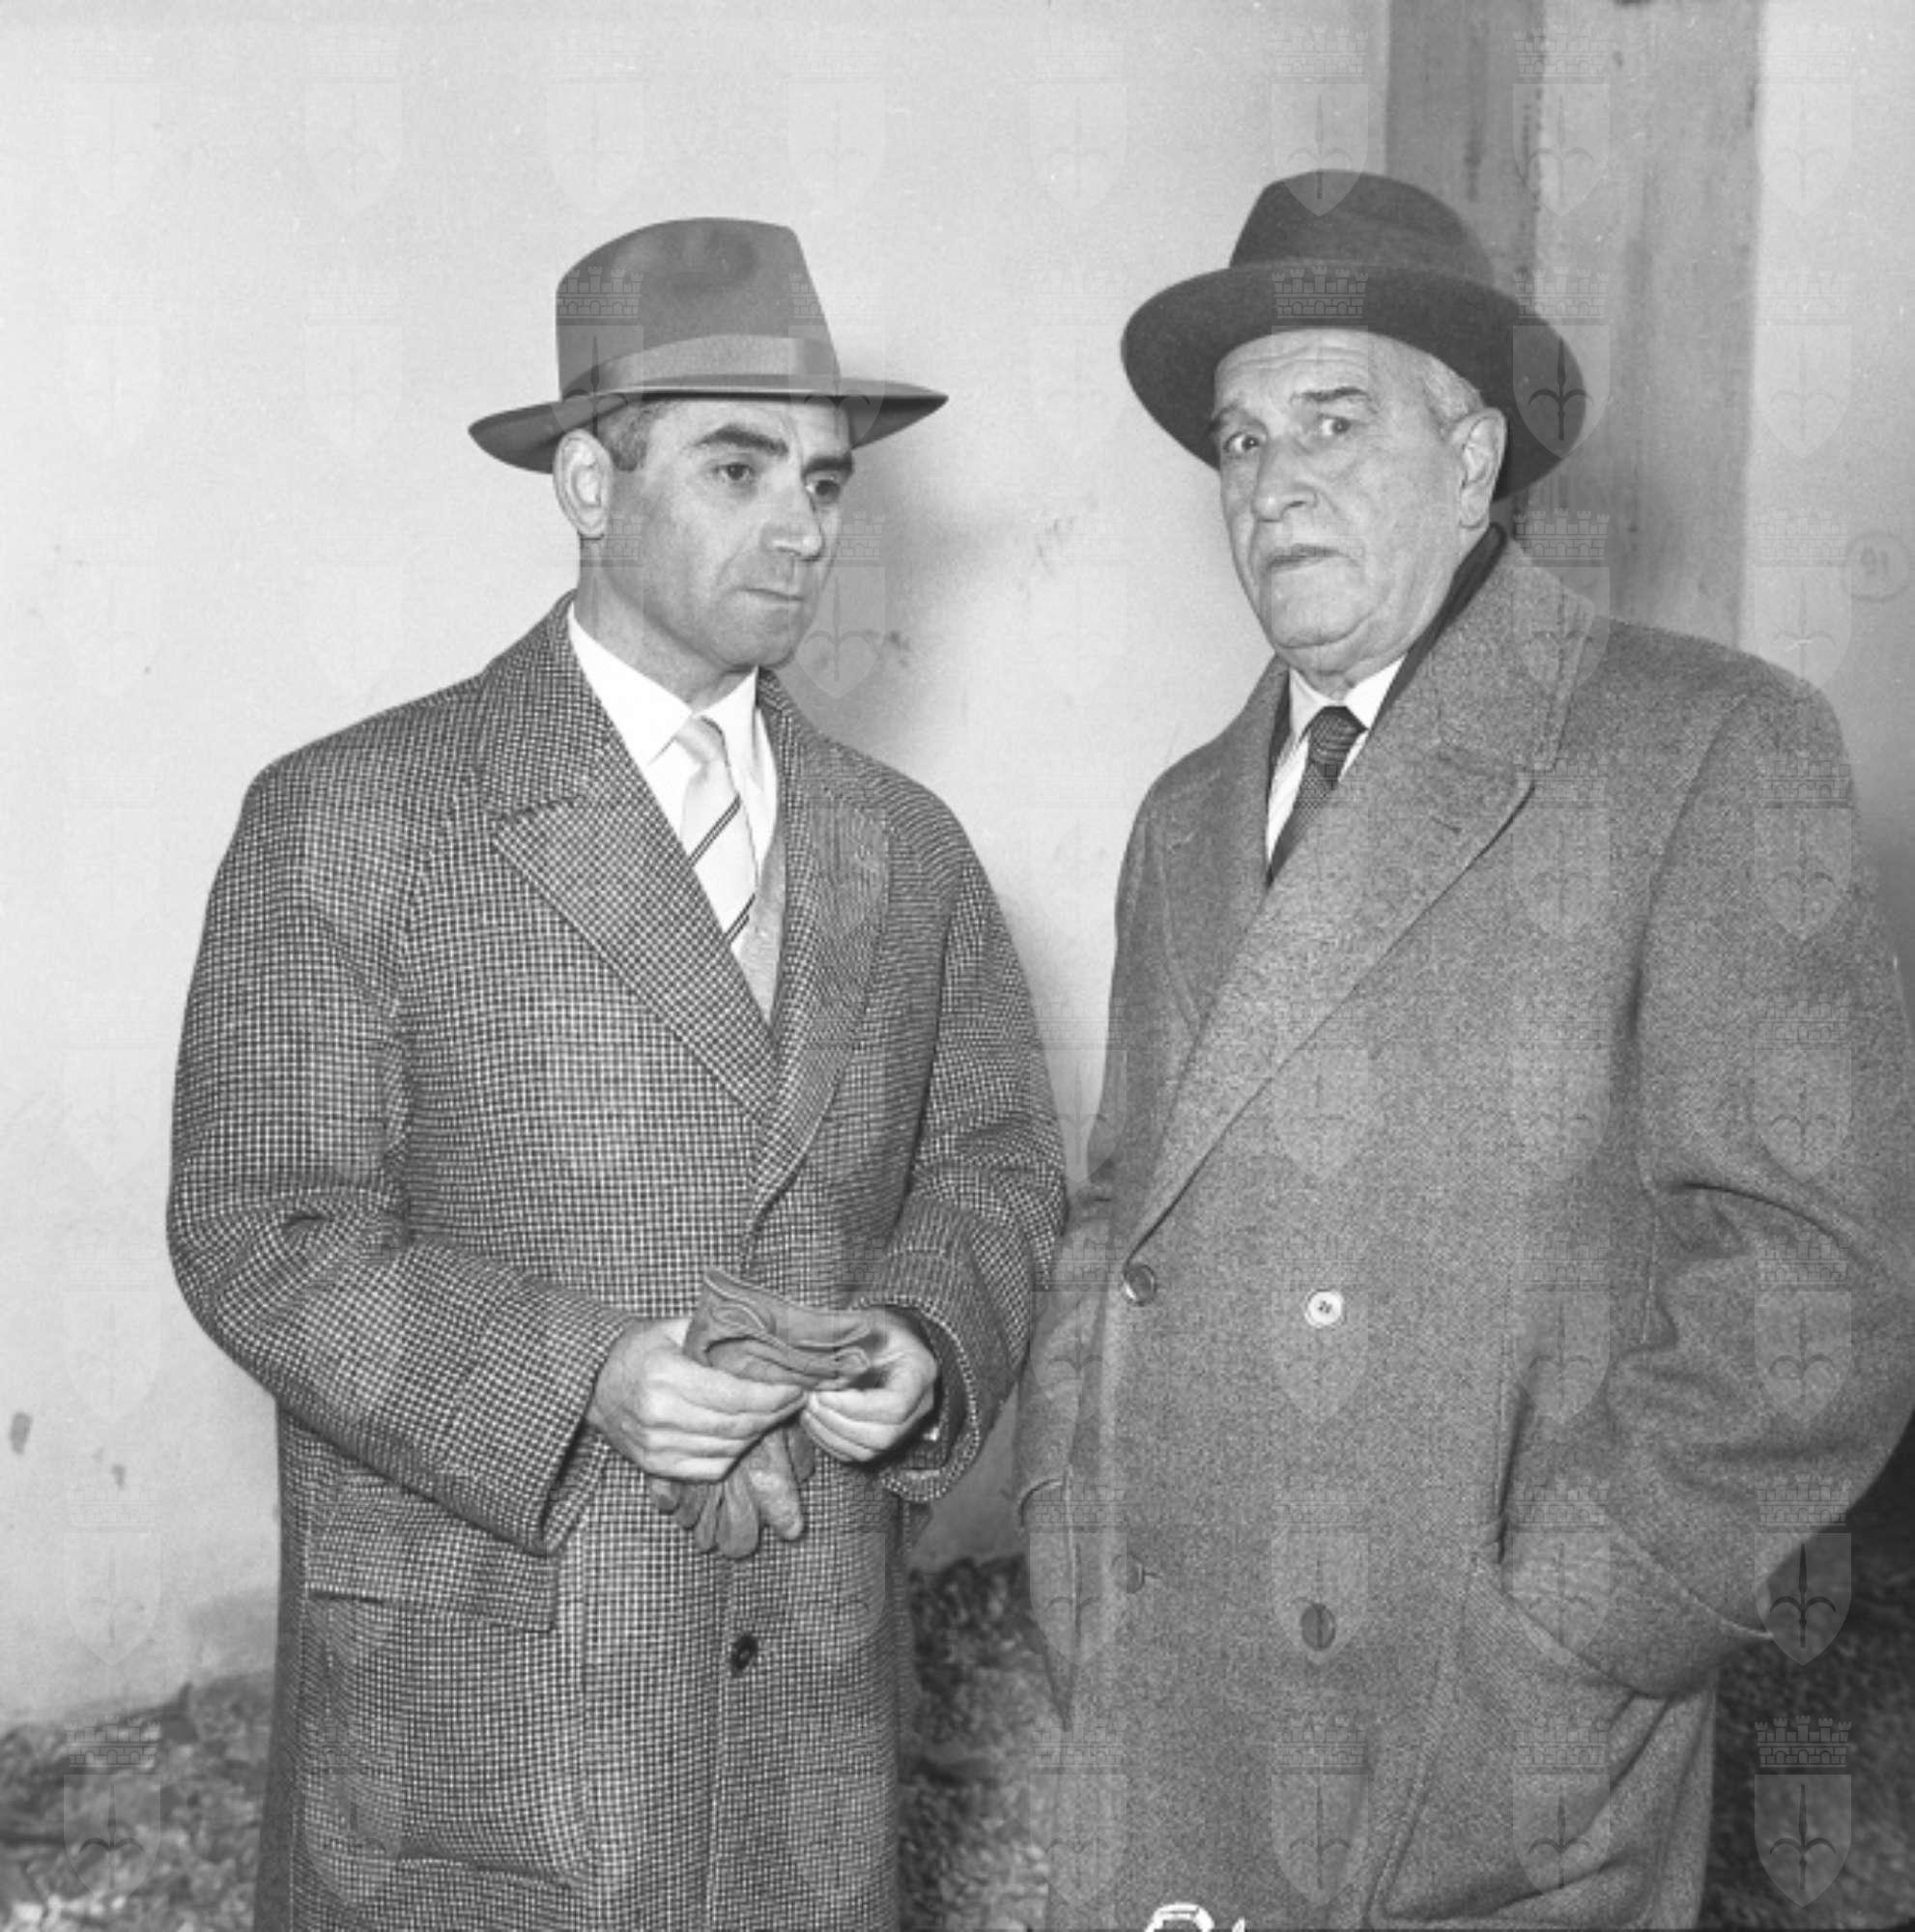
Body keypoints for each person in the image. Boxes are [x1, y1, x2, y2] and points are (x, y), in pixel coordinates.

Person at [1017, 172, 1915, 1930]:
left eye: (1331, 422)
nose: (1271, 485)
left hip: (1484, 1743)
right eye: (1239, 442)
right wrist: (1070, 1522)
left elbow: (1813, 1282)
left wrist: (1582, 1624)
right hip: (1175, 1692)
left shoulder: (1702, 747)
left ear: (1472, 458)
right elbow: (1116, 1216)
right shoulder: (1183, 815)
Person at [169, 217, 1063, 1932]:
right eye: (738, 467)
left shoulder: (906, 848)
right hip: (483, 1718)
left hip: (805, 1718)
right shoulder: (350, 819)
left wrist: (926, 1336)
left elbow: (999, 1165)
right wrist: (582, 1375)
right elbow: (259, 1229)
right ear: (588, 483)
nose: (803, 524)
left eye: (824, 477)